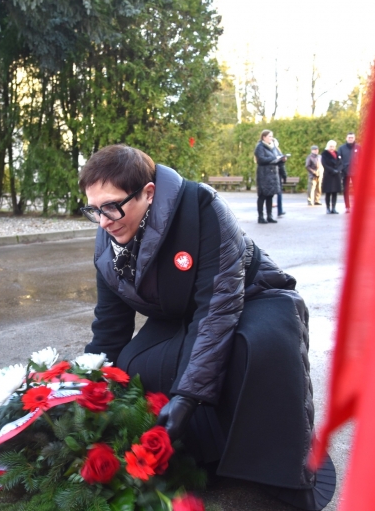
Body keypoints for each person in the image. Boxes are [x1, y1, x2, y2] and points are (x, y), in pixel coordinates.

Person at [79, 145, 336, 511]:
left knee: (253, 346)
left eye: (112, 206)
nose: (104, 222)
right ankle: (204, 455)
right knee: (133, 363)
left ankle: (268, 466)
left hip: (252, 297)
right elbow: (110, 327)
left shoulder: (202, 207)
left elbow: (216, 312)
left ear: (148, 193)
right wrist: (80, 383)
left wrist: (187, 399)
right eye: (94, 210)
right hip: (182, 314)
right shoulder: (109, 235)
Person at [254, 130, 283, 224]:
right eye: (270, 136)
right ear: (264, 137)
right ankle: (261, 217)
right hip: (264, 174)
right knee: (262, 196)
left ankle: (270, 216)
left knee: (270, 196)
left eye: (272, 136)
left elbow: (277, 157)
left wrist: (282, 159)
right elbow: (261, 159)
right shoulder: (259, 147)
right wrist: (274, 158)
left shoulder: (273, 147)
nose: (271, 138)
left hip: (273, 174)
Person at [338, 132, 360, 213]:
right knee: (346, 190)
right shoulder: (341, 148)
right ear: (346, 138)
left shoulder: (358, 148)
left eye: (352, 137)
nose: (350, 139)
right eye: (349, 137)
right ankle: (347, 207)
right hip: (345, 172)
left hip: (356, 172)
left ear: (354, 138)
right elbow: (339, 160)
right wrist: (342, 168)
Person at [321, 140, 343, 214]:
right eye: (330, 146)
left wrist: (338, 170)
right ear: (328, 146)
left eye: (333, 146)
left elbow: (341, 163)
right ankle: (328, 208)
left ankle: (333, 208)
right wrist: (332, 170)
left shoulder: (337, 153)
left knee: (334, 193)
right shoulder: (324, 154)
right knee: (328, 193)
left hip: (336, 176)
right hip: (328, 175)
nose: (332, 148)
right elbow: (324, 164)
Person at [274, 138, 288, 217]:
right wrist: (284, 175)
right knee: (278, 193)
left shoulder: (275, 150)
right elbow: (280, 165)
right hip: (276, 174)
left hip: (276, 173)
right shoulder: (276, 150)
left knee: (277, 193)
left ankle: (279, 210)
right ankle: (279, 210)